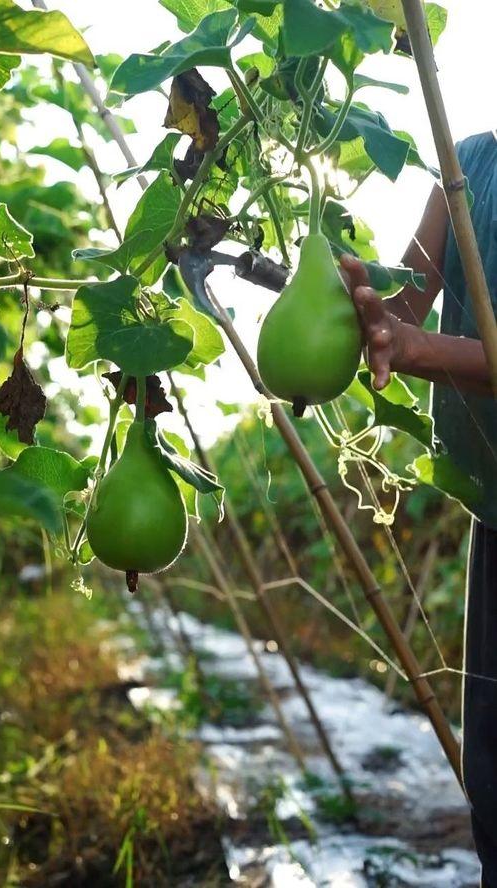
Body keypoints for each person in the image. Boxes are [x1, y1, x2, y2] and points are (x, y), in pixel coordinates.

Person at [340, 129, 497, 887]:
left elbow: (415, 339)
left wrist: (420, 349)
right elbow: (404, 300)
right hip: (493, 498)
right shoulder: (466, 166)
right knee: (494, 777)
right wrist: (351, 294)